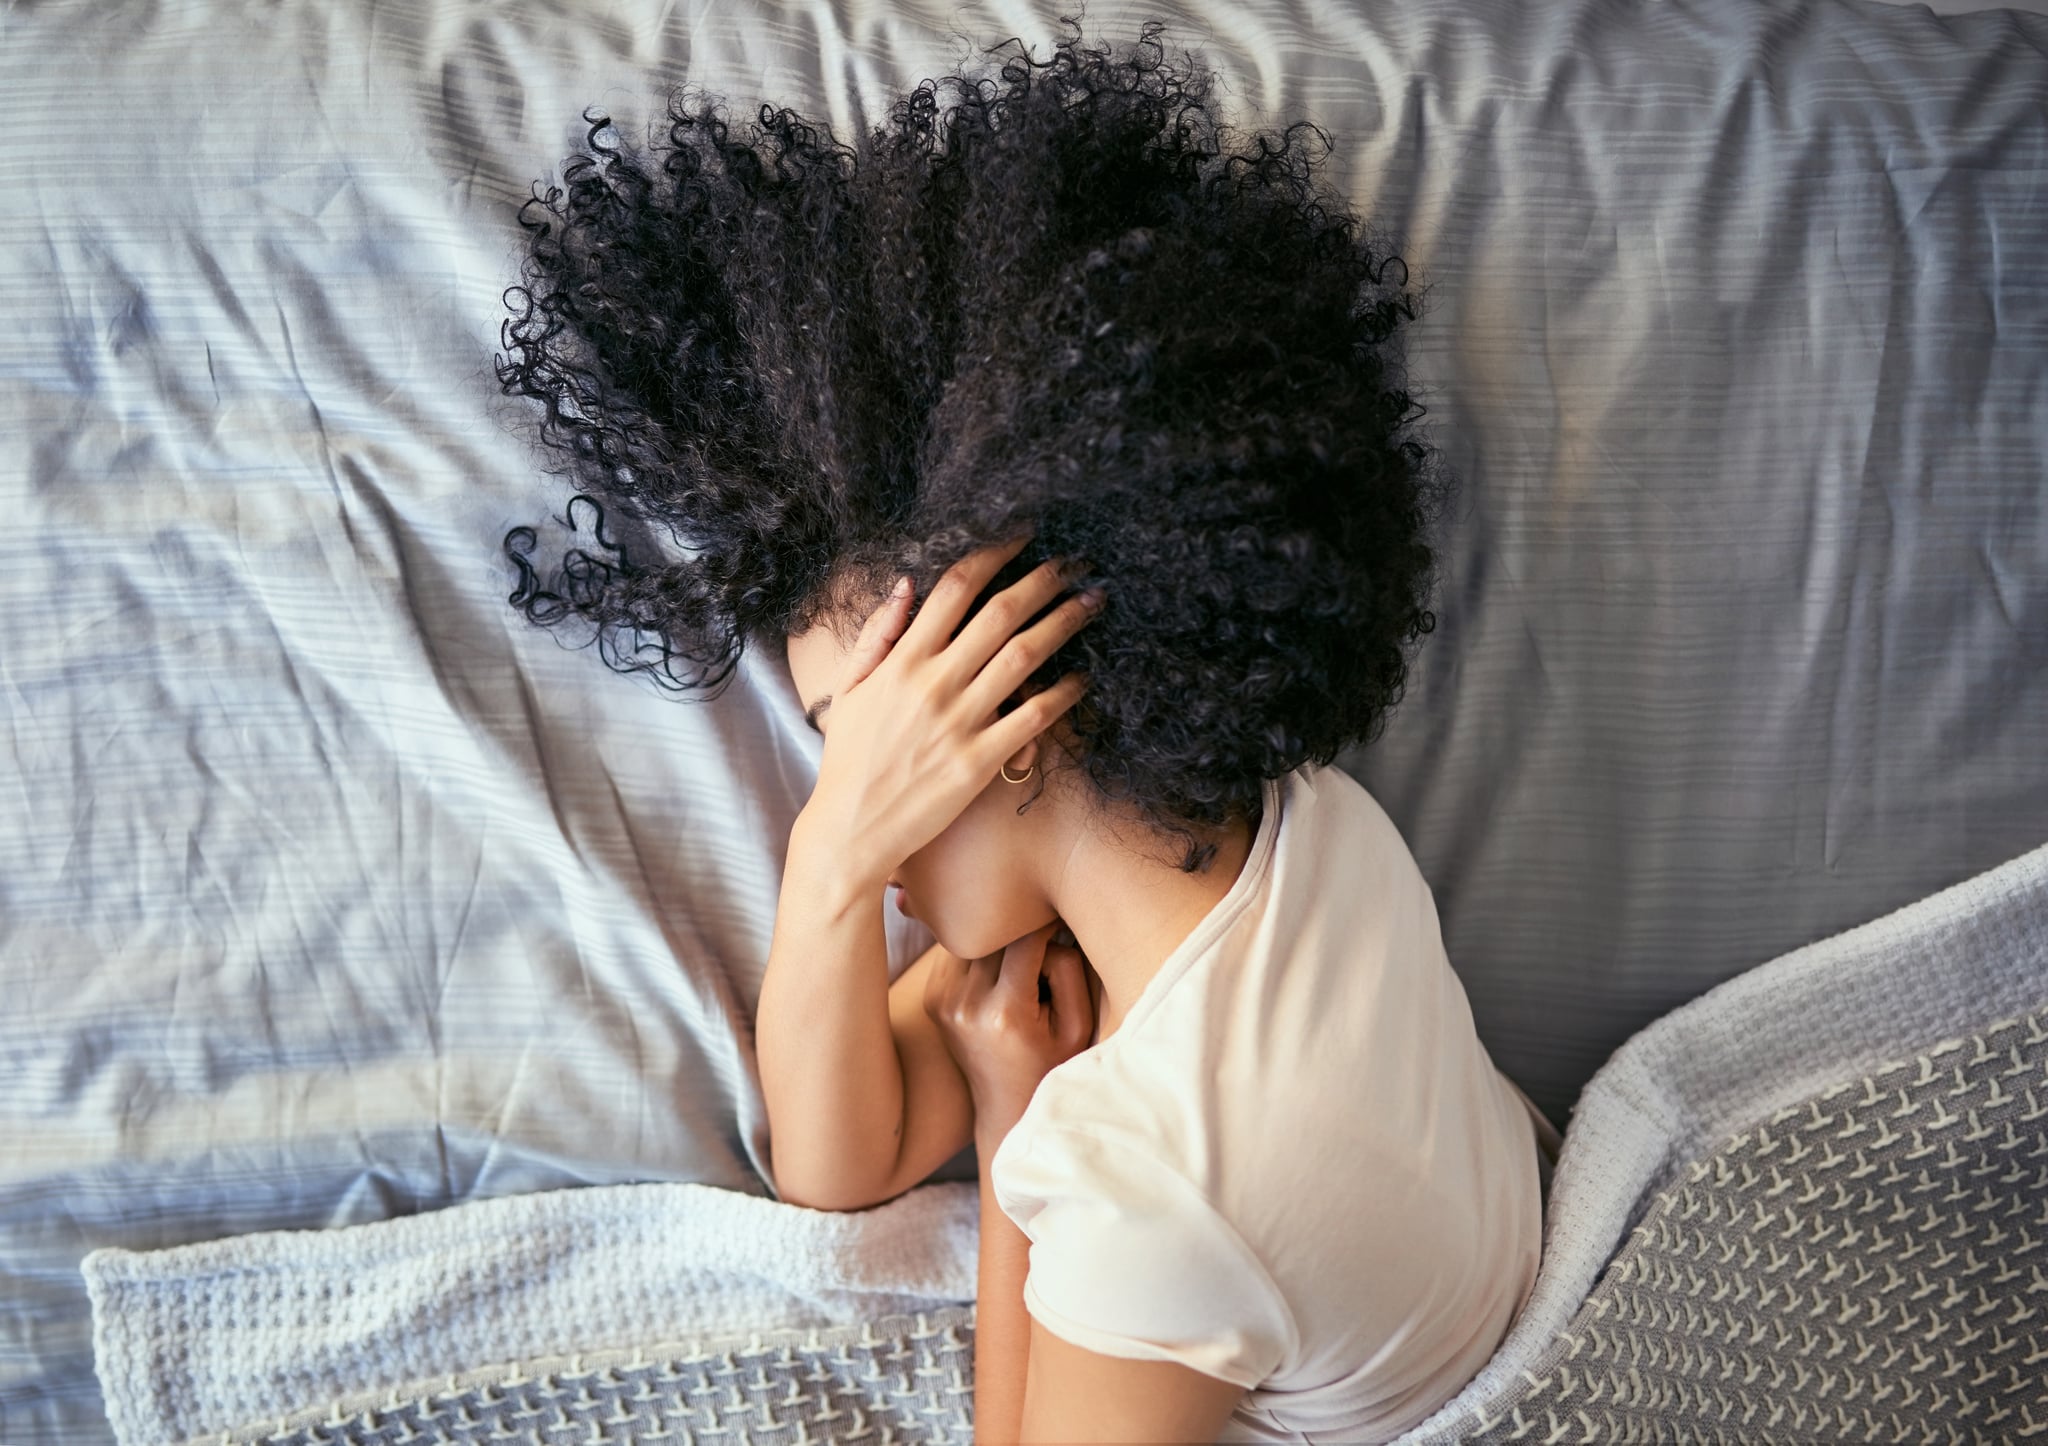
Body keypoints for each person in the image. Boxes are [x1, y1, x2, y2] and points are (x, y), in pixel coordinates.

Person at [491, 11, 1559, 1441]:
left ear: (981, 713)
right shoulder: (1287, 835)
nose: (843, 795)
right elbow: (842, 1162)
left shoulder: (1165, 1174)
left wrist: (1015, 1137)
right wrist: (829, 884)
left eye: (841, 739)